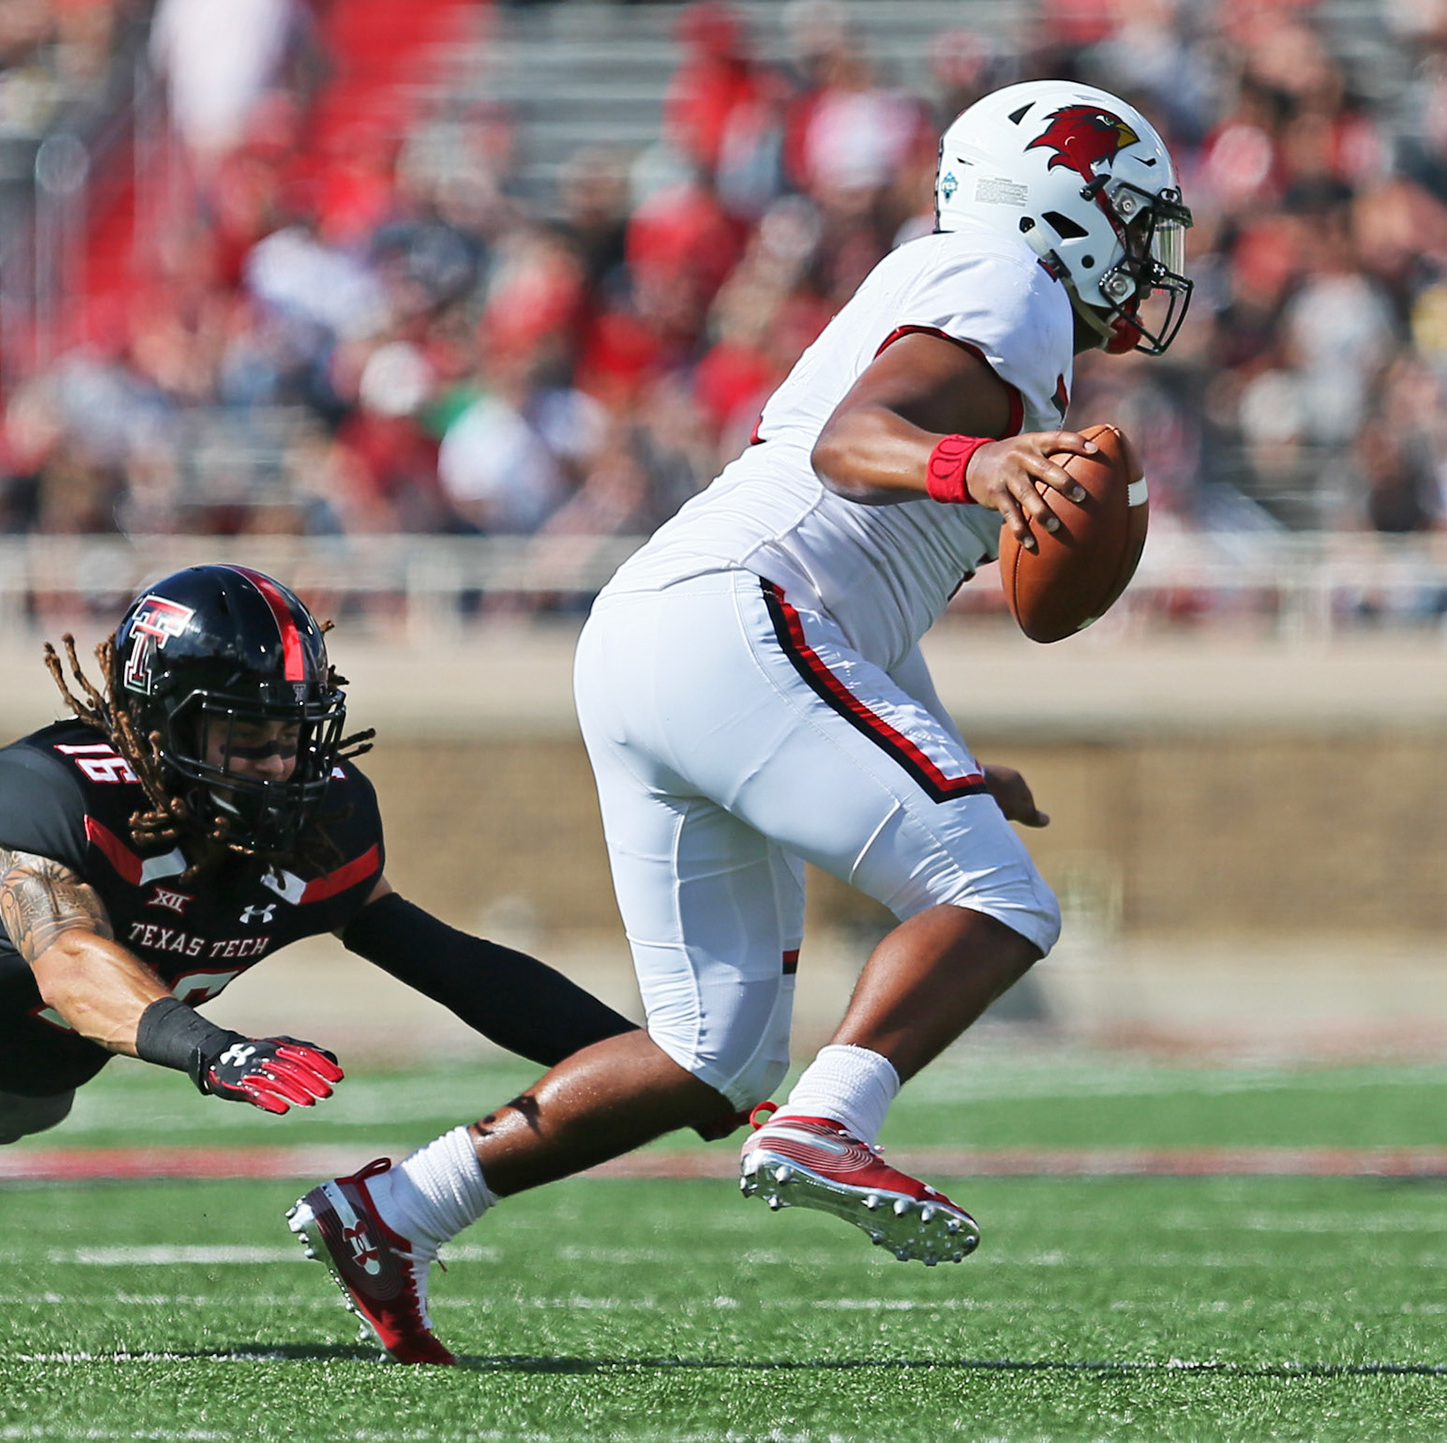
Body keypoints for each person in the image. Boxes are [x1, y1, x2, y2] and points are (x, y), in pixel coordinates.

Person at [287, 79, 1194, 1364]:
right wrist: (980, 465)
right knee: (1001, 901)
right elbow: (850, 444)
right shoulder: (1009, 282)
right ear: (1064, 199)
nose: (1151, 257)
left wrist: (937, 743)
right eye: (1135, 217)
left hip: (683, 636)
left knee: (711, 1055)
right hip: (730, 622)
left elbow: (858, 595)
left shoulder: (985, 301)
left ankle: (397, 1207)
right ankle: (833, 1119)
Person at [0, 564, 638, 1144]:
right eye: (245, 738)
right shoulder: (65, 788)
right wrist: (213, 1050)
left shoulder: (324, 822)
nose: (276, 766)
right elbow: (69, 963)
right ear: (154, 729)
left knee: (9, 1120)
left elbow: (455, 964)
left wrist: (652, 1062)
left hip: (33, 1080)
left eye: (290, 736)